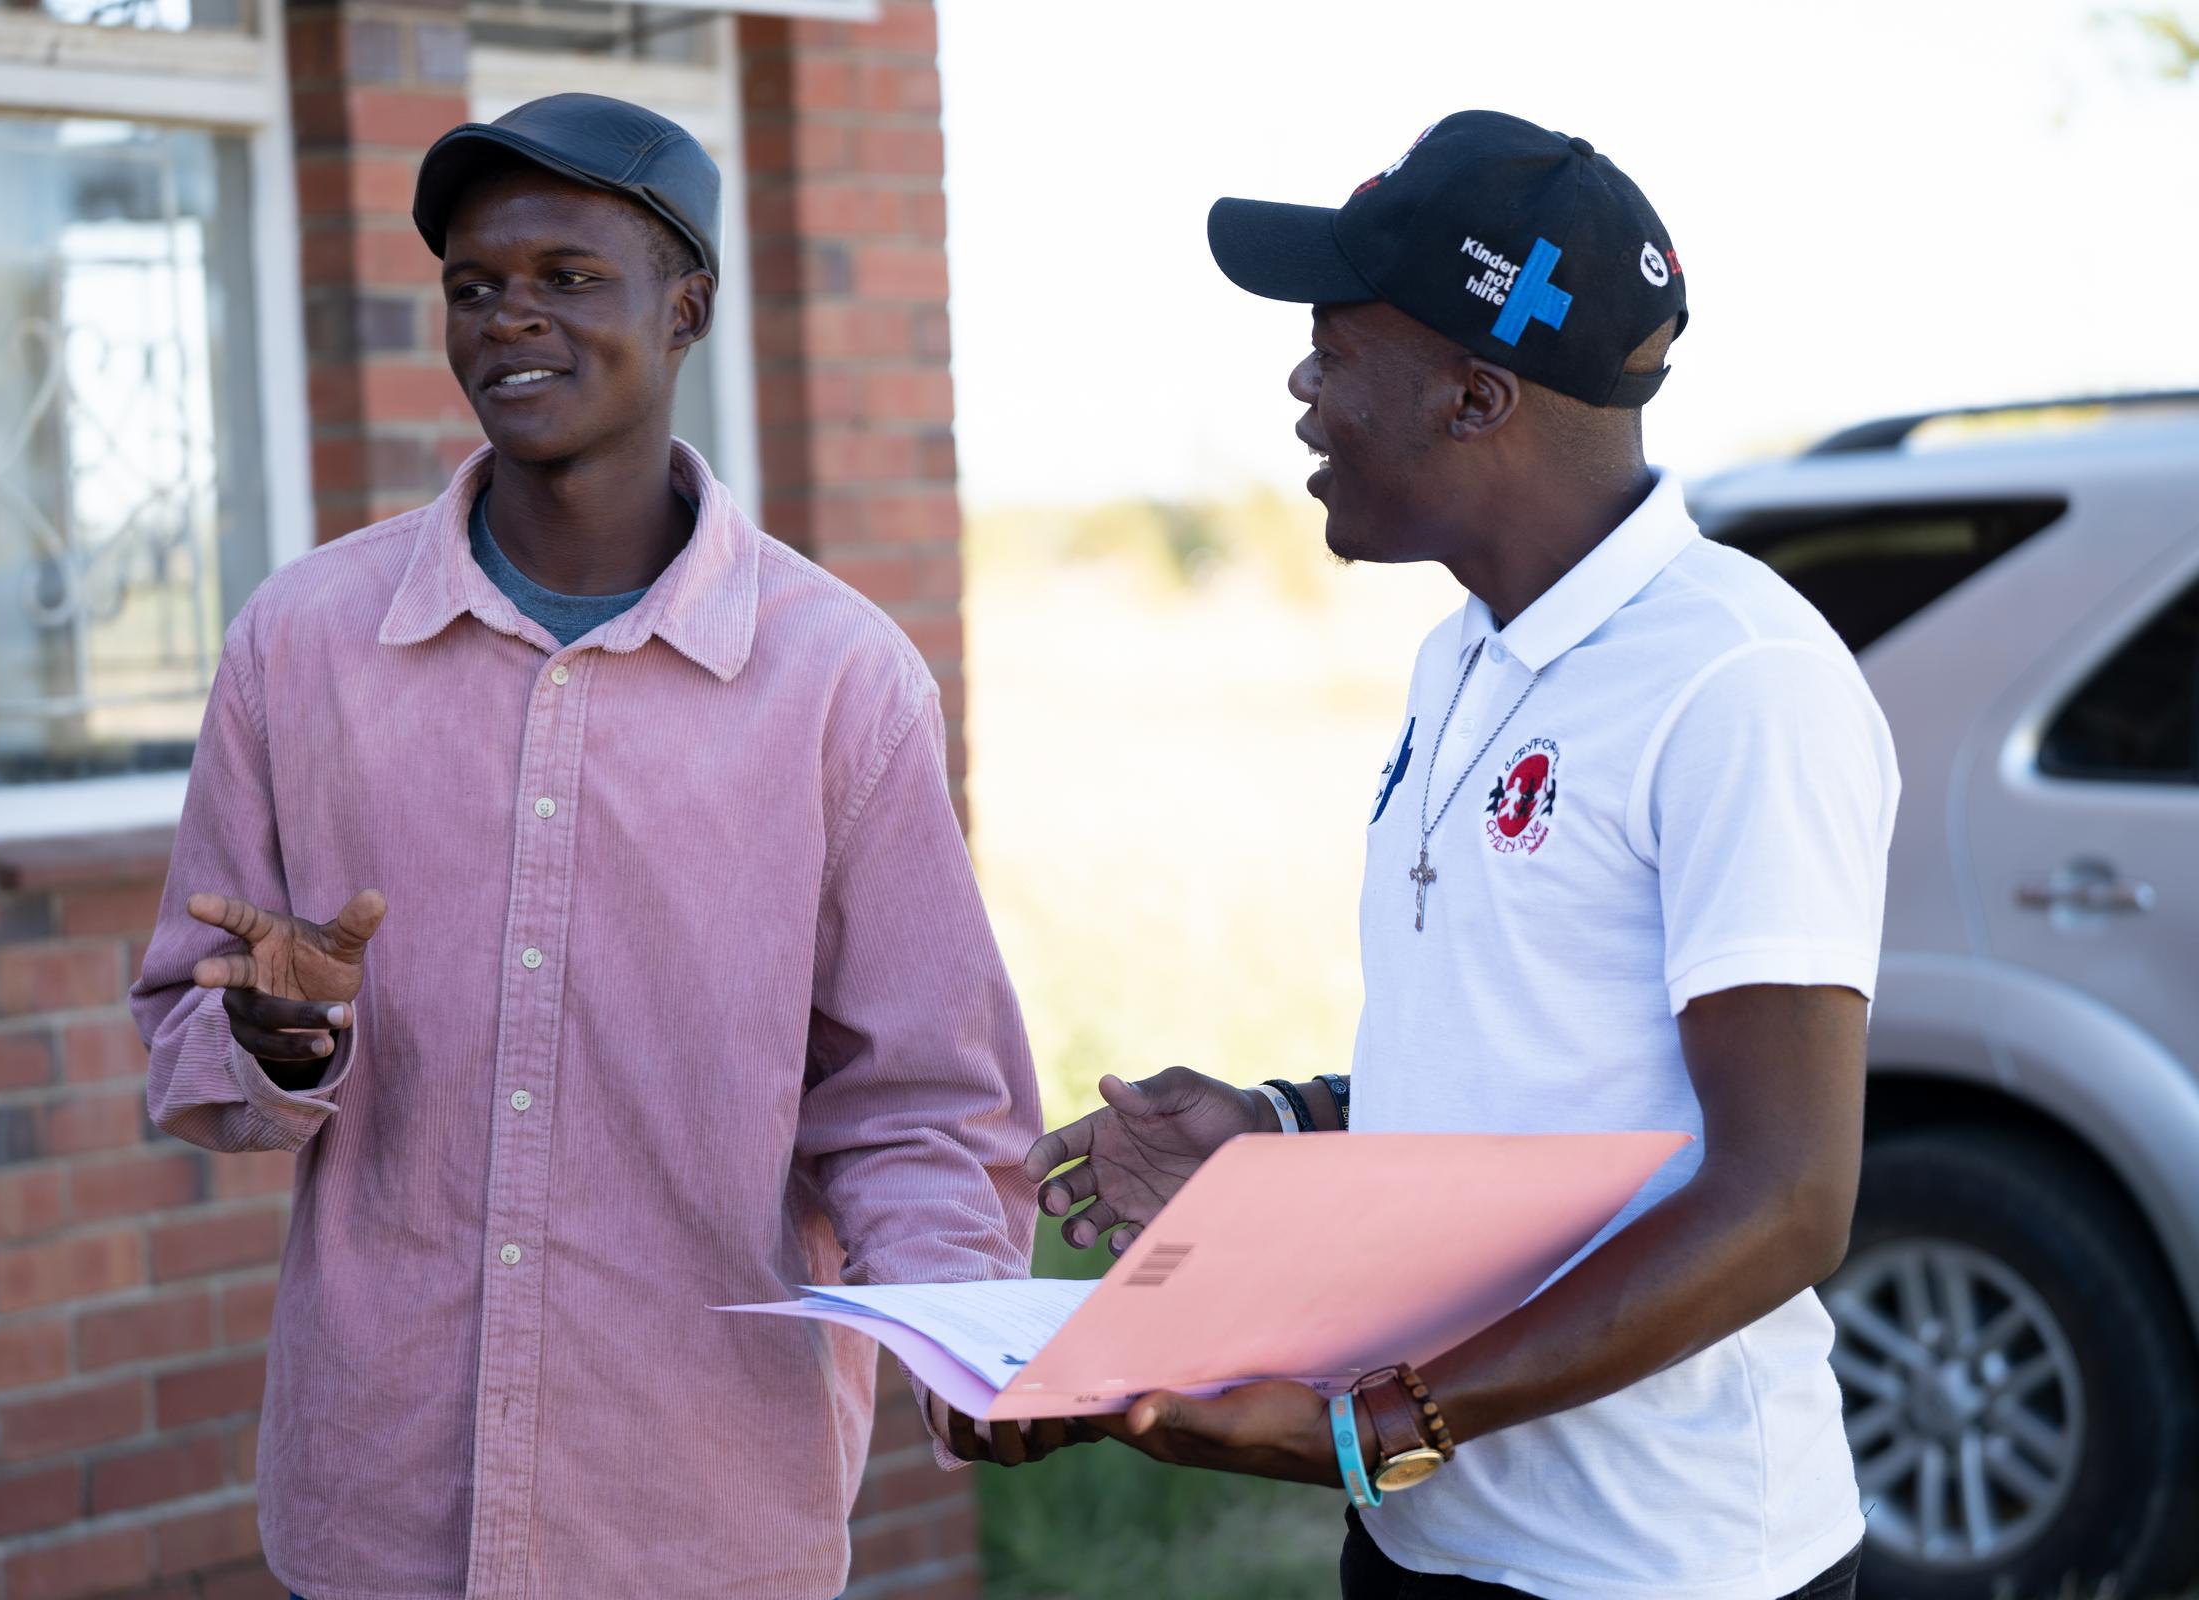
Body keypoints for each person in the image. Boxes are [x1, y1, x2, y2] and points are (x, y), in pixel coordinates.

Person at [131, 94, 1047, 1600]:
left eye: (567, 277)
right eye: (476, 286)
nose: (510, 321)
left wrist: (964, 1339)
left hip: (701, 1518)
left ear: (686, 308)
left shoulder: (839, 679)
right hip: (376, 1511)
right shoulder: (300, 646)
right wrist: (279, 1042)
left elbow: (919, 1098)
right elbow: (184, 1030)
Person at [1009, 111, 1897, 1600]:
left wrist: (1383, 1421)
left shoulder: (1737, 678)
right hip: (1431, 1541)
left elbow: (1787, 1196)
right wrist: (1280, 1131)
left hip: (1662, 1568)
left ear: (1477, 395)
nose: (1300, 390)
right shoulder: (1460, 660)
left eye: (1334, 347)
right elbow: (1546, 1090)